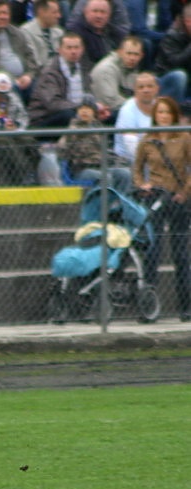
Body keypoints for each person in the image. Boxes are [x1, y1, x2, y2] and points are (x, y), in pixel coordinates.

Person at [132, 95, 191, 322]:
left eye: (168, 112)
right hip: (155, 199)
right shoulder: (147, 140)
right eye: (160, 112)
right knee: (152, 253)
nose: (164, 116)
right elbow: (136, 169)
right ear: (155, 116)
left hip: (178, 199)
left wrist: (184, 192)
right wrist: (142, 185)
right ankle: (149, 308)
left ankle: (186, 308)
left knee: (181, 254)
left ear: (174, 115)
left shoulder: (184, 137)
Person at [56, 95, 133, 193]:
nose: (84, 111)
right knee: (105, 178)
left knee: (124, 174)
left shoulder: (99, 129)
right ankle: (101, 207)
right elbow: (62, 149)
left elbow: (107, 152)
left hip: (101, 166)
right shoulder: (73, 129)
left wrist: (121, 162)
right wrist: (72, 137)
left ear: (94, 112)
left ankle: (119, 203)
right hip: (82, 170)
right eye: (81, 108)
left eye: (88, 108)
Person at [28, 32, 104, 128]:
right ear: (59, 50)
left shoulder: (85, 70)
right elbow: (53, 104)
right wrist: (80, 108)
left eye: (76, 48)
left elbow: (88, 96)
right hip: (44, 120)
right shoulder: (49, 72)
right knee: (69, 115)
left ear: (82, 50)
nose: (73, 51)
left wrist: (95, 109)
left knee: (107, 116)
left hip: (76, 111)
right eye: (69, 48)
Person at [0, 0, 40, 104]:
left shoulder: (17, 32)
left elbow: (30, 56)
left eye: (5, 13)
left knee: (39, 86)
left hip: (23, 78)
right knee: (11, 88)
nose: (3, 17)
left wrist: (29, 75)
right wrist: (12, 79)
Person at [114, 71, 159, 164]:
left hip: (157, 158)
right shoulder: (127, 110)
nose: (146, 90)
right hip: (127, 162)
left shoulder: (161, 106)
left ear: (157, 89)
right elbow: (131, 145)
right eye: (141, 87)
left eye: (150, 86)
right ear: (135, 90)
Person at [20, 0, 64, 67]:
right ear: (42, 12)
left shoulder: (59, 32)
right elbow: (34, 62)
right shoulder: (26, 32)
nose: (59, 16)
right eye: (54, 12)